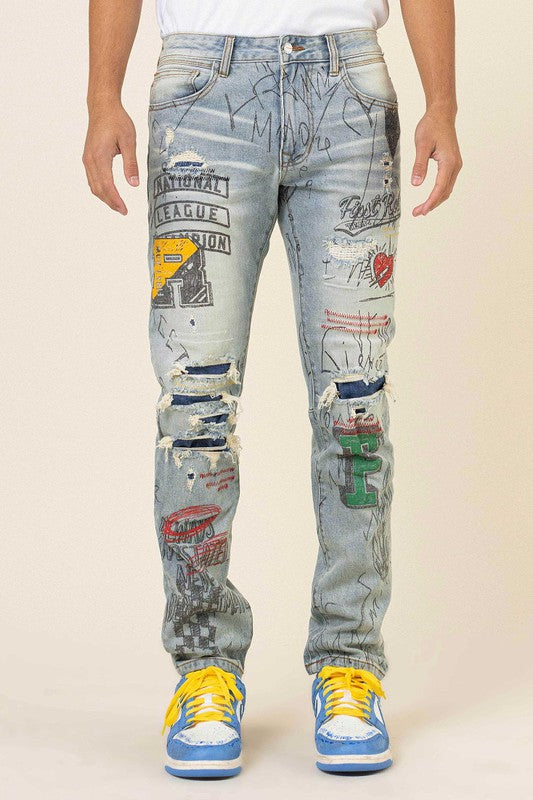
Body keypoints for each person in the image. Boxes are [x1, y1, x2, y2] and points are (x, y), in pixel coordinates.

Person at [83, 0, 462, 779]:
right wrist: (101, 98)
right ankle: (204, 668)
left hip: (350, 96)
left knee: (355, 403)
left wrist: (443, 102)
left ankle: (349, 662)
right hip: (200, 99)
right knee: (194, 405)